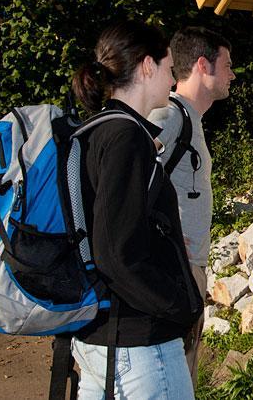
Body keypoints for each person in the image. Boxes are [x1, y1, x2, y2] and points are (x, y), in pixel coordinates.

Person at [71, 20, 202, 399]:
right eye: (168, 69)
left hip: (97, 337)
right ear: (147, 67)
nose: (173, 81)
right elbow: (117, 253)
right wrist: (181, 306)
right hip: (138, 345)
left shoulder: (92, 131)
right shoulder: (126, 137)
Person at [148, 26, 235, 387]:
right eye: (227, 64)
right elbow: (122, 180)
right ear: (203, 65)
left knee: (183, 375)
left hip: (186, 270)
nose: (232, 74)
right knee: (173, 378)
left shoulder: (188, 121)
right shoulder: (167, 117)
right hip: (173, 272)